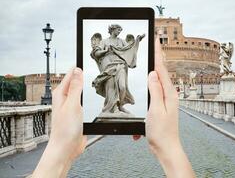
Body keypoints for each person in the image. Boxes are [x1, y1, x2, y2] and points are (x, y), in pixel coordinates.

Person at [32, 34, 196, 178]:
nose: (118, 32)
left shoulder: (121, 41)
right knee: (111, 91)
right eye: (116, 30)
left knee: (123, 88)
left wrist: (137, 40)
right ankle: (112, 108)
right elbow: (96, 52)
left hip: (121, 67)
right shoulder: (103, 41)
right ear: (112, 30)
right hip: (109, 68)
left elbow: (129, 49)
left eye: (119, 30)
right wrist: (171, 150)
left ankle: (119, 107)